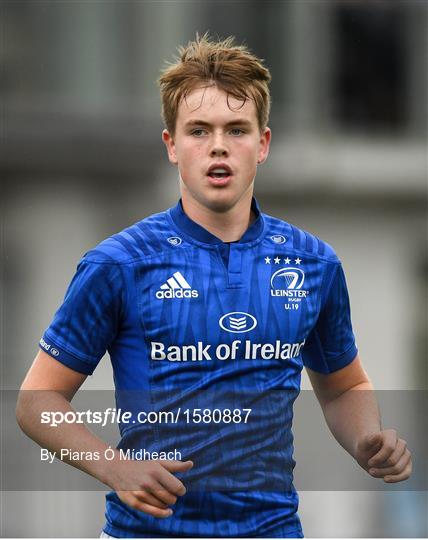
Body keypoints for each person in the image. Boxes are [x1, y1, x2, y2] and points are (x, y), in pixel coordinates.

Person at [16, 33, 412, 538]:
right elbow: (36, 403)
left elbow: (344, 386)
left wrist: (366, 439)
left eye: (237, 129)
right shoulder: (119, 263)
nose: (218, 145)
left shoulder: (314, 264)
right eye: (199, 130)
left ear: (263, 143)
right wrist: (112, 467)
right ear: (172, 146)